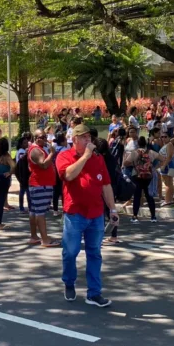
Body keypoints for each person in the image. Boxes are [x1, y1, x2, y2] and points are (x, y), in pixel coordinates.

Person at [56, 124, 118, 307]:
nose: (88, 140)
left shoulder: (98, 159)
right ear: (74, 139)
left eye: (89, 137)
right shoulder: (64, 156)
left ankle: (94, 293)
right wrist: (85, 156)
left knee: (95, 253)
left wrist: (113, 210)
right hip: (75, 213)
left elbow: (106, 185)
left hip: (96, 214)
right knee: (71, 252)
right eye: (83, 137)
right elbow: (68, 175)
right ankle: (69, 281)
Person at [26, 129, 60, 246]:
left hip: (40, 184)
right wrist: (51, 153)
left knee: (34, 211)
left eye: (46, 137)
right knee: (40, 213)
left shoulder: (38, 149)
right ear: (37, 138)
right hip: (40, 185)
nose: (46, 139)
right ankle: (45, 240)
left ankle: (34, 236)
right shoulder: (35, 150)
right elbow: (44, 165)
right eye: (43, 137)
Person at [125, 136, 160, 223]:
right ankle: (153, 217)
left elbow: (125, 163)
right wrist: (155, 167)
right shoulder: (151, 152)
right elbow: (163, 158)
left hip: (136, 176)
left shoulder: (134, 152)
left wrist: (133, 163)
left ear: (138, 144)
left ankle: (135, 216)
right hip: (148, 176)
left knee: (137, 196)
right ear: (145, 143)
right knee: (149, 196)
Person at [95, 138, 120, 244]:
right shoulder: (112, 158)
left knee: (100, 212)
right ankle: (114, 236)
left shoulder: (97, 159)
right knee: (111, 211)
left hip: (100, 186)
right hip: (111, 186)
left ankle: (99, 235)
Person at [0, 138, 16, 230]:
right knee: (1, 200)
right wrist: (9, 173)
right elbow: (14, 166)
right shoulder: (6, 156)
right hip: (4, 179)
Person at [52, 132, 69, 216]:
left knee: (55, 191)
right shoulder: (65, 150)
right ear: (62, 142)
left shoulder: (54, 148)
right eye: (65, 140)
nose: (67, 141)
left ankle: (55, 210)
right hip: (62, 171)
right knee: (63, 191)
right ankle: (64, 209)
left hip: (54, 171)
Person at [158, 134, 174, 206]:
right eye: (162, 137)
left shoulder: (169, 144)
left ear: (169, 137)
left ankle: (167, 200)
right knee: (170, 183)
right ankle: (170, 199)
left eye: (165, 136)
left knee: (167, 183)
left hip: (167, 166)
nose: (163, 138)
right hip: (168, 165)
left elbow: (169, 156)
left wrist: (164, 165)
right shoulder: (166, 145)